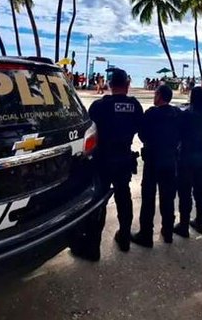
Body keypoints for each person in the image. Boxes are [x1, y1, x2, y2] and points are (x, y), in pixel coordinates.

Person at [75, 69, 143, 260]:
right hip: (123, 158)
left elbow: (89, 128)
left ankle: (92, 248)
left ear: (110, 85)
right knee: (123, 197)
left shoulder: (99, 106)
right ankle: (124, 238)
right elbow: (140, 128)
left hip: (103, 159)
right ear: (128, 85)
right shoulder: (135, 106)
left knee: (98, 201)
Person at [131, 85, 181, 247]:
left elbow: (142, 133)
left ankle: (146, 234)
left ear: (159, 96)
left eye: (155, 94)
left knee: (148, 197)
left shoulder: (151, 113)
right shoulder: (177, 114)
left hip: (153, 159)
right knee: (168, 197)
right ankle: (168, 232)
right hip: (170, 159)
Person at [174, 86, 202, 236]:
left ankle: (184, 225)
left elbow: (178, 133)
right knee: (200, 191)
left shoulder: (187, 114)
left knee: (185, 192)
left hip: (187, 156)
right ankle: (200, 222)